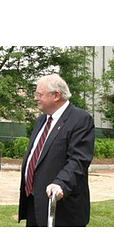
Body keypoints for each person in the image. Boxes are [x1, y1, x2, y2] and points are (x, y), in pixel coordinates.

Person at [18, 74, 95, 227]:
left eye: (39, 94)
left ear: (56, 95)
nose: (35, 98)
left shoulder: (80, 119)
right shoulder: (41, 120)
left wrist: (61, 184)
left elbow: (78, 160)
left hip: (62, 207)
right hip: (34, 203)